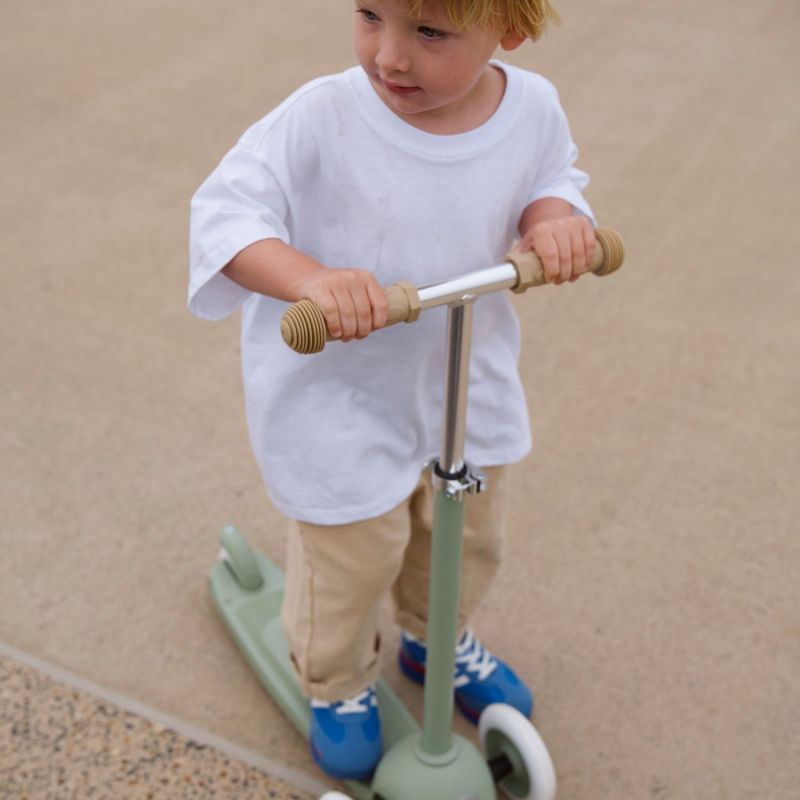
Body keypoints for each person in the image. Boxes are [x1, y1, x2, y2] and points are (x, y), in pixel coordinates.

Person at [189, 0, 596, 781]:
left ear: (510, 30)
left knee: (468, 532)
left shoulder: (532, 108)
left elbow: (551, 179)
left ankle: (434, 636)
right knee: (352, 554)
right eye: (371, 15)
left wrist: (555, 221)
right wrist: (310, 279)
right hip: (340, 391)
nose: (389, 57)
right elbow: (224, 217)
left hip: (461, 373)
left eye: (429, 33)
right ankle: (337, 681)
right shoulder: (322, 117)